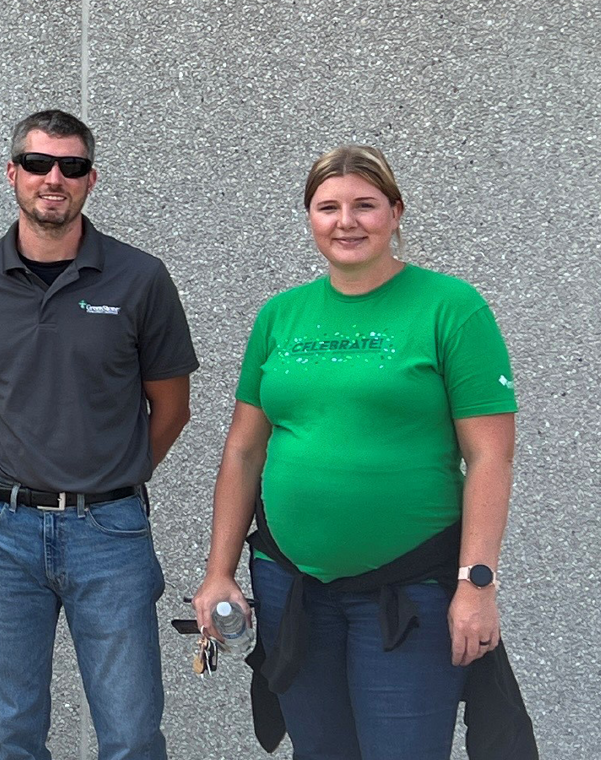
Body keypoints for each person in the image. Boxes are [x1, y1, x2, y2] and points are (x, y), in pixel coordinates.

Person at [191, 144, 532, 758]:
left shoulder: (451, 309)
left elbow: (490, 459)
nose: (346, 221)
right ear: (310, 218)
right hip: (291, 587)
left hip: (413, 592)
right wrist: (220, 572)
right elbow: (243, 452)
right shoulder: (280, 316)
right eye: (328, 207)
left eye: (365, 205)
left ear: (395, 213)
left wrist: (476, 583)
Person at [0, 110, 196, 760]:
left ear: (90, 179)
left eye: (71, 166)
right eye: (40, 164)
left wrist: (112, 469)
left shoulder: (141, 279)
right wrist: (12, 460)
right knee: (14, 734)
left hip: (110, 534)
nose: (55, 178)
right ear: (13, 173)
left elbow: (172, 405)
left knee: (131, 737)